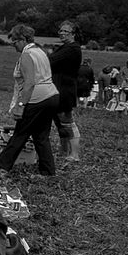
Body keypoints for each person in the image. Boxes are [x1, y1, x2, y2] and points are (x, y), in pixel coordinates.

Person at [0, 24, 59, 180]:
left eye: (14, 42)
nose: (13, 46)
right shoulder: (40, 51)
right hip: (52, 96)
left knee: (20, 134)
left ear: (22, 39)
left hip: (36, 98)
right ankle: (48, 172)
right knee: (41, 136)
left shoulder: (26, 55)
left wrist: (21, 106)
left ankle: (1, 169)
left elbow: (29, 83)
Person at [48, 21, 82, 164]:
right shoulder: (65, 47)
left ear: (73, 34)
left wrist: (49, 55)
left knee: (67, 122)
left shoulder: (72, 48)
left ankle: (74, 154)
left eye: (65, 31)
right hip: (57, 89)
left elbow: (51, 60)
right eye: (60, 31)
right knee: (59, 122)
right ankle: (64, 151)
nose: (61, 33)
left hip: (65, 90)